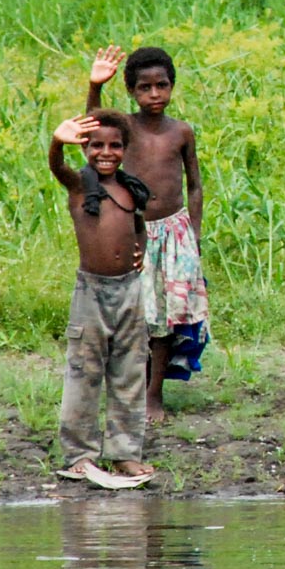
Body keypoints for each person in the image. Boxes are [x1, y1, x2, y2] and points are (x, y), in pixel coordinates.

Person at [86, 44, 206, 424]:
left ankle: (155, 394)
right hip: (135, 232)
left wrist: (195, 233)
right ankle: (128, 388)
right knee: (135, 313)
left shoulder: (181, 132)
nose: (155, 95)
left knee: (167, 318)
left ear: (172, 86)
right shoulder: (125, 128)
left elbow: (194, 185)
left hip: (175, 234)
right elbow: (91, 126)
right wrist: (95, 86)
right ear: (131, 91)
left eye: (162, 86)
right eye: (145, 88)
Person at [48, 111, 155, 486]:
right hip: (91, 292)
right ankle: (79, 455)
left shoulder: (129, 189)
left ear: (125, 149)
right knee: (84, 372)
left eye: (115, 145)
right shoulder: (80, 186)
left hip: (129, 290)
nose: (106, 152)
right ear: (86, 148)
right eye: (97, 145)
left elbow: (137, 225)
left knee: (130, 371)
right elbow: (58, 167)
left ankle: (125, 453)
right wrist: (58, 142)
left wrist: (139, 249)